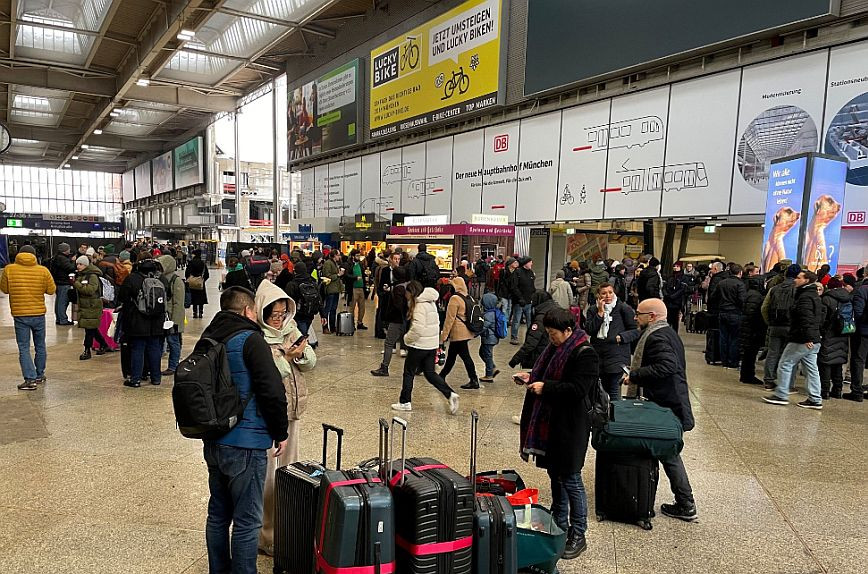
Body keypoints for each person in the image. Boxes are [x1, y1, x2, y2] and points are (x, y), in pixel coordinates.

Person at [200, 287, 289, 573]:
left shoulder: (208, 338)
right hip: (246, 443)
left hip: (214, 440)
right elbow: (271, 390)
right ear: (247, 311)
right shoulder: (251, 339)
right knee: (247, 520)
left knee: (218, 515)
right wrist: (280, 431)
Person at [517, 306, 598, 559]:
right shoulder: (556, 348)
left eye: (554, 334)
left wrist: (546, 388)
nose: (550, 338)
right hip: (552, 425)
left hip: (571, 427)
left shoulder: (585, 353)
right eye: (548, 334)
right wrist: (530, 378)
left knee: (571, 478)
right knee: (555, 474)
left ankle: (579, 532)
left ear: (568, 330)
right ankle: (559, 521)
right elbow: (548, 375)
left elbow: (577, 389)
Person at [254, 281, 316, 556]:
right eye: (273, 314)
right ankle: (264, 536)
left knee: (289, 474)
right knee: (267, 478)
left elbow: (310, 362)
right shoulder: (256, 337)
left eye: (282, 313)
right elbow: (264, 374)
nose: (278, 320)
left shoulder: (292, 330)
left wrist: (300, 356)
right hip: (268, 417)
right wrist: (286, 359)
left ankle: (285, 530)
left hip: (293, 412)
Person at [622, 298, 697, 522]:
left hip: (666, 407)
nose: (636, 318)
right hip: (669, 403)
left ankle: (686, 503)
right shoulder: (667, 332)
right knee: (667, 453)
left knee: (669, 454)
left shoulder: (657, 336)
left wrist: (635, 375)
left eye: (639, 314)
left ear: (652, 316)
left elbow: (667, 366)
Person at [392, 281, 459, 415]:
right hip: (431, 345)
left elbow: (418, 328)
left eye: (407, 293)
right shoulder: (430, 302)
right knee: (430, 373)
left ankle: (405, 402)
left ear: (412, 292)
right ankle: (450, 394)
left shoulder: (419, 306)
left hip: (419, 345)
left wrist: (406, 339)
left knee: (409, 372)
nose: (405, 296)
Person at [763, 270, 824, 409]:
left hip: (802, 338)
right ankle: (815, 398)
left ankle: (781, 394)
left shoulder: (805, 298)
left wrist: (808, 337)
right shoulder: (813, 295)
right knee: (812, 369)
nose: (795, 280)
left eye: (798, 278)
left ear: (806, 280)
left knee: (785, 363)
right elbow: (818, 319)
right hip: (813, 339)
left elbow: (805, 318)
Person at [0, 245, 56, 390]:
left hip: (20, 315)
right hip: (38, 314)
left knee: (24, 347)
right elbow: (51, 290)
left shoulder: (9, 269)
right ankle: (39, 374)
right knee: (40, 345)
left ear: (19, 254)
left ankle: (30, 380)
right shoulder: (43, 270)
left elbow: (4, 289)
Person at [584, 282, 639, 399]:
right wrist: (600, 313)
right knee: (600, 391)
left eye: (610, 292)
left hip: (616, 355)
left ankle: (614, 415)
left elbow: (635, 330)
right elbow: (589, 330)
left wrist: (622, 337)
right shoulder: (593, 310)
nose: (608, 296)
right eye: (604, 293)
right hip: (598, 356)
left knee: (614, 391)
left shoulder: (623, 308)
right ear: (598, 295)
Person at [118, 255, 166, 388]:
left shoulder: (132, 279)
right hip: (156, 321)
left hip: (137, 321)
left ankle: (136, 379)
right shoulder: (160, 279)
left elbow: (122, 296)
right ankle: (156, 378)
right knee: (155, 349)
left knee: (138, 349)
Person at [761, 264, 802, 390]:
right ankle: (787, 383)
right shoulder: (799, 290)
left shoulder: (774, 289)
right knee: (790, 356)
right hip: (791, 327)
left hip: (775, 325)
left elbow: (764, 308)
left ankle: (768, 380)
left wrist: (770, 322)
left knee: (772, 353)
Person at [439, 277, 480, 390]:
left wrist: (443, 336)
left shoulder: (455, 299)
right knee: (452, 356)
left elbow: (449, 319)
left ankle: (474, 379)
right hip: (466, 332)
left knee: (464, 357)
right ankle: (442, 376)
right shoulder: (468, 297)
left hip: (458, 333)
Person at [371, 266, 409, 377]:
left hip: (397, 320)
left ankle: (384, 367)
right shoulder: (409, 286)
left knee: (389, 343)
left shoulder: (398, 289)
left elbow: (398, 306)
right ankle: (419, 366)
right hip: (408, 320)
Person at [818, 277, 851, 400]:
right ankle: (837, 390)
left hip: (829, 334)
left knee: (826, 362)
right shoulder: (848, 298)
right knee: (838, 362)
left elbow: (823, 319)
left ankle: (824, 391)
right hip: (843, 333)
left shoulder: (827, 299)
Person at [509, 290, 559, 370]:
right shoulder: (555, 310)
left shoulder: (541, 318)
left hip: (542, 354)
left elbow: (531, 342)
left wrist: (516, 359)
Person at [73, 255, 111, 360]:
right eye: (77, 264)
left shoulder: (92, 276)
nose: (78, 266)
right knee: (92, 328)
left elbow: (90, 290)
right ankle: (104, 344)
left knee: (89, 330)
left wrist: (76, 284)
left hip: (92, 306)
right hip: (86, 306)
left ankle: (87, 350)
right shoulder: (81, 275)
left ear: (86, 265)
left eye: (80, 264)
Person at [711, 263, 746, 369]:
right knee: (734, 338)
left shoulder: (721, 283)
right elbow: (742, 300)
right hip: (735, 313)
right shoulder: (740, 284)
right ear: (740, 273)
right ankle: (732, 361)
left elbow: (713, 297)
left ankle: (724, 360)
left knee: (723, 337)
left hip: (722, 312)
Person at [157, 255, 185, 376]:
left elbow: (178, 303)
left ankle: (173, 366)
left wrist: (175, 321)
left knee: (173, 342)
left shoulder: (176, 280)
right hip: (162, 316)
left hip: (171, 317)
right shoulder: (160, 279)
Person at [739, 274, 767, 385]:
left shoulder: (749, 294)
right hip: (751, 329)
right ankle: (748, 375)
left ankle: (746, 375)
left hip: (747, 327)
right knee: (750, 354)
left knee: (748, 353)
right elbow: (753, 314)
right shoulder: (756, 296)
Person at [846, 267, 867, 402]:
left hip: (863, 331)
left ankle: (857, 391)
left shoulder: (862, 290)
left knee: (858, 360)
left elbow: (858, 313)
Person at [284, 261, 318, 336]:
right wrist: (323, 314)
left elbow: (288, 300)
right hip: (310, 313)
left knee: (301, 334)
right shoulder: (312, 283)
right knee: (304, 331)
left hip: (298, 314)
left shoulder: (292, 284)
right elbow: (318, 298)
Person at [510, 257, 536, 344]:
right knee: (517, 320)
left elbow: (532, 287)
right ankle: (514, 337)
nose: (531, 264)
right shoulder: (517, 272)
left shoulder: (531, 273)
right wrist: (520, 298)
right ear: (526, 263)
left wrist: (534, 296)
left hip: (529, 301)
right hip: (519, 302)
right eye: (530, 262)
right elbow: (514, 287)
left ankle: (530, 337)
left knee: (530, 321)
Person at [49, 243, 76, 325]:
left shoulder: (57, 257)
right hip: (63, 282)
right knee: (63, 302)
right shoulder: (62, 259)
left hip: (58, 282)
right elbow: (70, 268)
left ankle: (59, 319)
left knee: (59, 302)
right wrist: (73, 261)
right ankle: (63, 319)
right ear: (65, 250)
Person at [479, 292, 502, 383]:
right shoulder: (494, 312)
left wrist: (474, 333)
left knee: (488, 355)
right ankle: (492, 367)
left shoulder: (489, 315)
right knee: (482, 353)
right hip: (491, 337)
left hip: (489, 338)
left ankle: (489, 375)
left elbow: (484, 327)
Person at [344, 249, 368, 330]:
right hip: (353, 288)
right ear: (353, 256)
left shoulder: (361, 264)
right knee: (352, 307)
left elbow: (363, 273)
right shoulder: (349, 264)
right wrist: (355, 278)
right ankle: (351, 323)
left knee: (362, 307)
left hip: (361, 287)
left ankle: (360, 322)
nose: (358, 257)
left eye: (359, 255)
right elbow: (346, 275)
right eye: (357, 256)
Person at [321, 250, 343, 334]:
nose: (339, 257)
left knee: (333, 309)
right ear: (334, 255)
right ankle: (325, 327)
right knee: (327, 309)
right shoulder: (328, 263)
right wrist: (337, 275)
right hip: (330, 289)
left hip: (335, 289)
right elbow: (327, 276)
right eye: (338, 255)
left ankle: (333, 327)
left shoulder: (334, 263)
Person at [186, 249, 209, 318]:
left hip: (192, 282)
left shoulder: (191, 262)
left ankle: (195, 312)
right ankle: (201, 312)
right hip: (200, 283)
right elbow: (207, 274)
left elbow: (187, 273)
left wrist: (189, 279)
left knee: (194, 297)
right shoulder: (203, 263)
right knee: (201, 298)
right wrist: (202, 280)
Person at [662, 265, 686, 332]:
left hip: (676, 302)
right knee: (668, 319)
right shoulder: (669, 276)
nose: (675, 268)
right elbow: (664, 287)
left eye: (677, 266)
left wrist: (673, 296)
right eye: (674, 266)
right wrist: (667, 295)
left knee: (675, 320)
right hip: (668, 301)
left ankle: (674, 333)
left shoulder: (682, 277)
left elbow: (682, 289)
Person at [495, 257, 516, 322]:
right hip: (504, 292)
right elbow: (500, 282)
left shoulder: (516, 272)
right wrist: (498, 292)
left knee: (509, 308)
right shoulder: (503, 271)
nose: (516, 263)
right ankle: (504, 321)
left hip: (511, 293)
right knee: (505, 307)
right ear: (510, 264)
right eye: (514, 262)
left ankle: (507, 320)